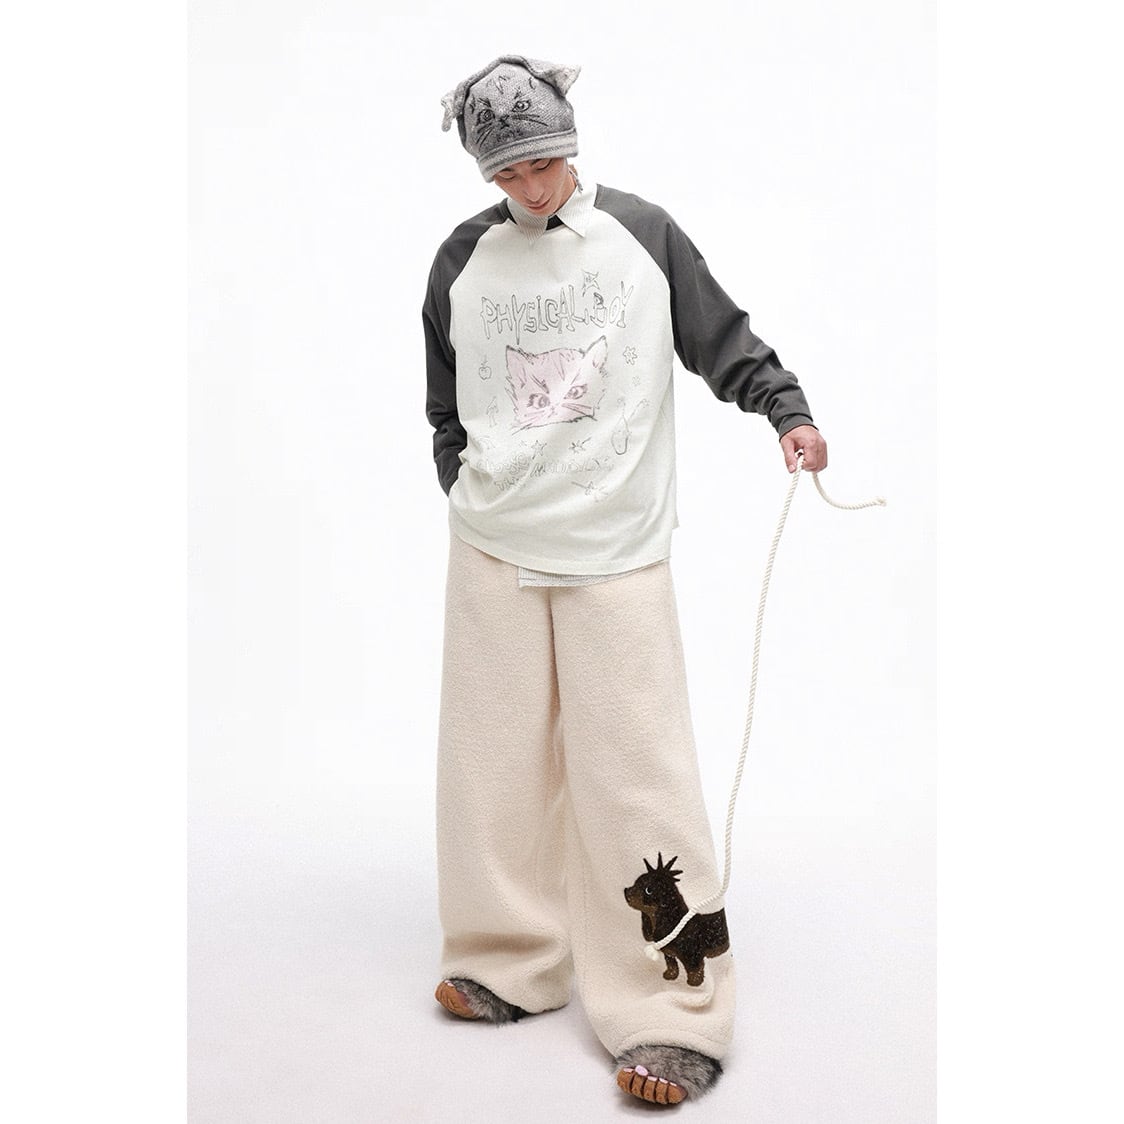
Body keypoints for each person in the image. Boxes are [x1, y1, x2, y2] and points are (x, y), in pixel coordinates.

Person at [422, 54, 827, 1107]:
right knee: (490, 767)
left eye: (544, 162)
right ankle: (509, 960)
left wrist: (784, 410)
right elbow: (445, 398)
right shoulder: (461, 259)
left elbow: (720, 337)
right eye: (508, 172)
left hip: (615, 548)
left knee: (636, 773)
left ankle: (672, 1010)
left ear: (571, 143)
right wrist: (460, 476)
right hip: (492, 546)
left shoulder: (641, 233)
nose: (531, 186)